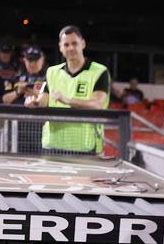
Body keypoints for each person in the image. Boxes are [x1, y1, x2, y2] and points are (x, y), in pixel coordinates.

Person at [28, 26, 110, 156]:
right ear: (60, 47)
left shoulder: (99, 72)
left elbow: (96, 104)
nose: (70, 48)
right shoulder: (52, 72)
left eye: (74, 43)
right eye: (66, 44)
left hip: (86, 148)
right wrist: (34, 103)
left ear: (83, 44)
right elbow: (43, 100)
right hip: (53, 146)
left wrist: (67, 100)